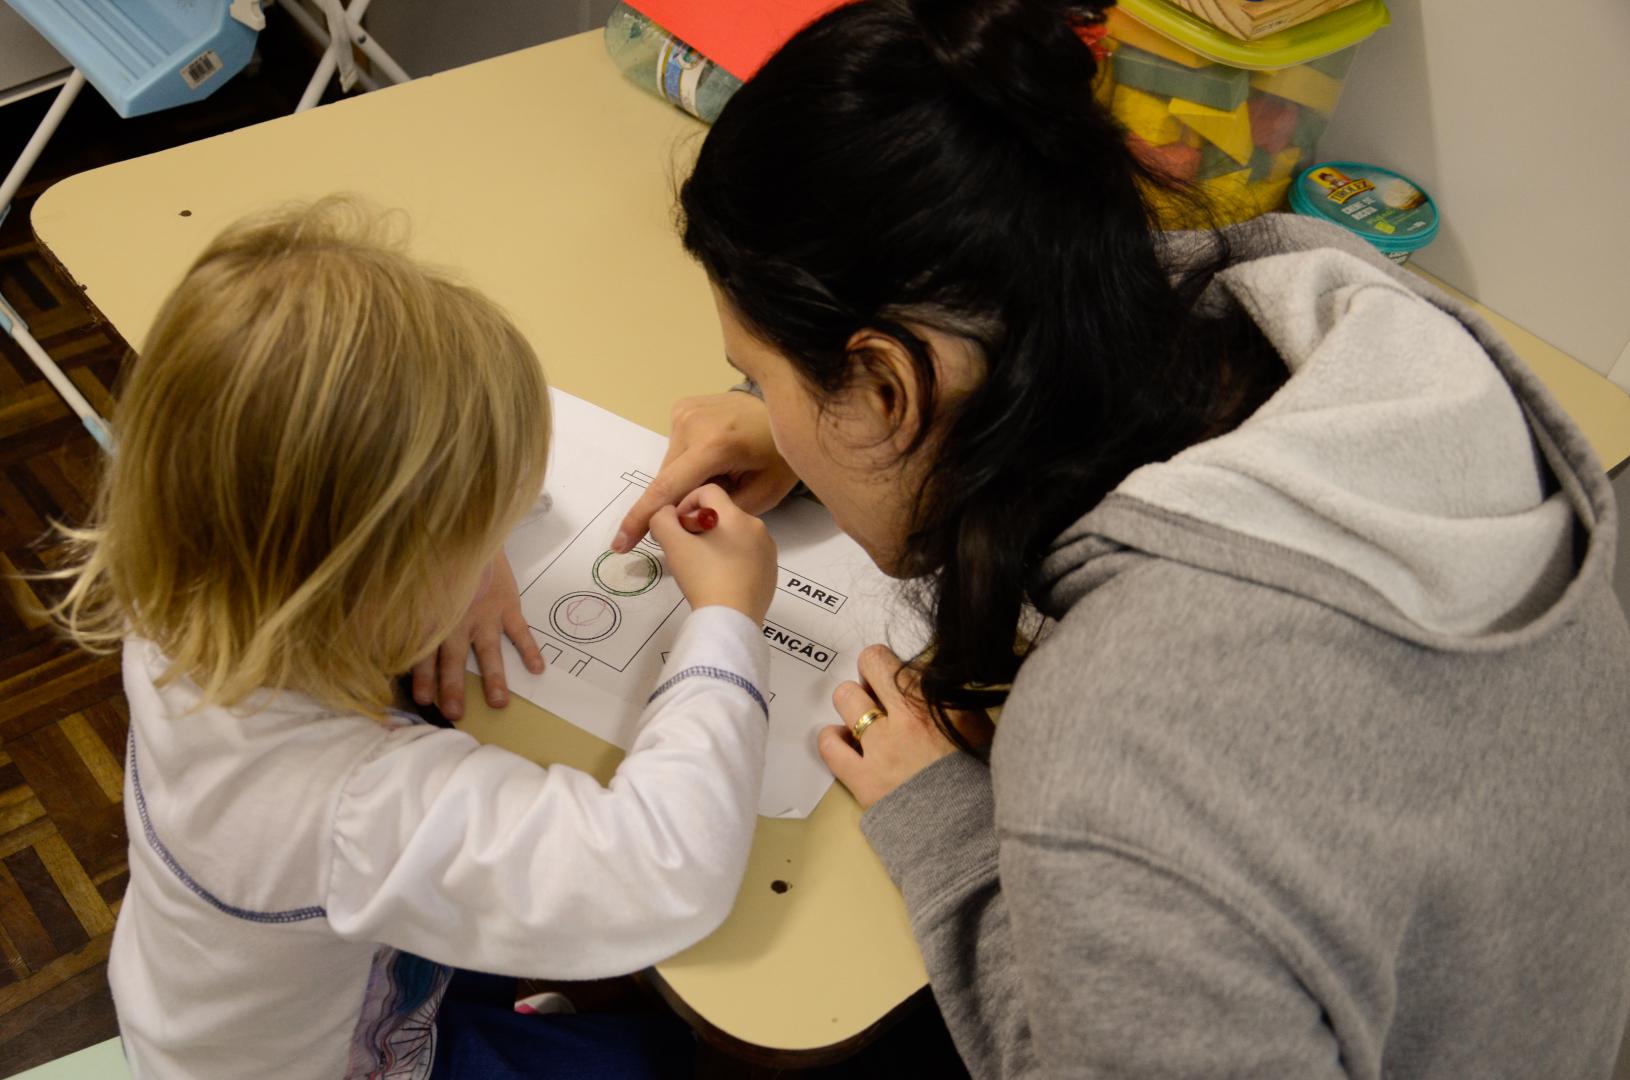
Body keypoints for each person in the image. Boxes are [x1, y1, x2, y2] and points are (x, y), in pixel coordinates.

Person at [603, 0, 1630, 1075]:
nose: (759, 402)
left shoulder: (1116, 749)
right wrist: (803, 425)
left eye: (759, 374)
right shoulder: (1346, 322)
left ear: (888, 384)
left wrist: (944, 824)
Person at [49, 199, 777, 1079]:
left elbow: (341, 478)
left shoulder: (173, 581)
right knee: (658, 1057)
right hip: (333, 1066)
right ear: (380, 579)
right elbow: (665, 868)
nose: (500, 534)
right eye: (480, 529)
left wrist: (465, 556)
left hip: (191, 1014)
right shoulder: (359, 812)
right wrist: (727, 620)